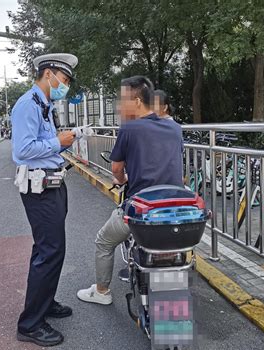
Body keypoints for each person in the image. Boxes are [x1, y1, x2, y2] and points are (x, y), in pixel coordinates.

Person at [77, 75, 184, 305]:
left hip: (142, 210)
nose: (119, 106)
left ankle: (102, 291)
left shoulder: (130, 128)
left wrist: (123, 178)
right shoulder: (175, 128)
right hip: (175, 208)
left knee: (104, 241)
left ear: (136, 102)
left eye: (122, 100)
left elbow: (116, 169)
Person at [11, 53, 78, 347]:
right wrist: (58, 142)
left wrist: (62, 144)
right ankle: (30, 324)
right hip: (38, 187)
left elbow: (43, 146)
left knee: (52, 249)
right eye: (63, 80)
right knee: (48, 251)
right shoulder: (28, 103)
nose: (64, 87)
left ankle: (45, 302)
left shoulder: (44, 105)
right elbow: (23, 149)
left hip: (52, 183)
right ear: (48, 73)